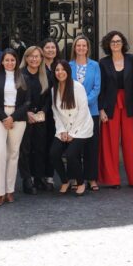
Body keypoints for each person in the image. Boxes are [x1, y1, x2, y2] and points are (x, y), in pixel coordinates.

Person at [98, 30, 133, 188]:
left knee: (130, 143)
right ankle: (112, 180)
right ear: (108, 45)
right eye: (112, 42)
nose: (115, 44)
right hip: (110, 104)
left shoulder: (132, 59)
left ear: (123, 43)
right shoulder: (103, 62)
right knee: (110, 142)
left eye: (118, 41)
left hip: (129, 104)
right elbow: (101, 87)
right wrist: (101, 109)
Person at [0, 49, 30, 206]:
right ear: (2, 62)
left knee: (13, 153)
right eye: (7, 60)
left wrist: (13, 117)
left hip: (17, 118)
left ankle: (9, 190)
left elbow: (28, 102)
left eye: (12, 60)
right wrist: (4, 118)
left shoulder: (23, 77)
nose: (10, 63)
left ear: (17, 61)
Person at [50, 60, 94, 196]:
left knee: (71, 155)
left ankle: (80, 182)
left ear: (68, 72)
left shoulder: (77, 87)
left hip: (81, 128)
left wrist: (72, 133)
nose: (60, 72)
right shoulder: (54, 89)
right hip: (64, 128)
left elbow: (83, 111)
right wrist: (62, 131)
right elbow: (55, 112)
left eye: (63, 70)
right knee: (53, 154)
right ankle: (65, 181)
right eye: (57, 70)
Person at [69, 35, 102, 191]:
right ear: (74, 48)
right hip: (73, 113)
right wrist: (77, 106)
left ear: (88, 48)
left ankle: (91, 178)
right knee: (75, 147)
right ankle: (76, 177)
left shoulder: (95, 66)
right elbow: (67, 88)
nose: (81, 48)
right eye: (78, 45)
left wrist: (83, 103)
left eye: (84, 45)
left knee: (91, 145)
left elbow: (96, 88)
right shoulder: (68, 66)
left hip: (91, 112)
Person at [19, 46, 53, 194]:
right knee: (25, 149)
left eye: (37, 56)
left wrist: (43, 111)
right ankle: (27, 180)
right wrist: (26, 113)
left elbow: (48, 98)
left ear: (41, 59)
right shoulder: (19, 75)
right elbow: (17, 98)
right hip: (24, 117)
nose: (34, 59)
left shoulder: (45, 75)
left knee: (40, 148)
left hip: (41, 117)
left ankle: (39, 178)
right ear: (26, 58)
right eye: (31, 56)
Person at [40, 38, 61, 187]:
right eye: (47, 47)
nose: (50, 50)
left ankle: (49, 176)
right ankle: (38, 176)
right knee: (40, 145)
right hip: (40, 111)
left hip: (57, 112)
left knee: (52, 144)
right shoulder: (38, 65)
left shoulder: (59, 66)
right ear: (42, 50)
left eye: (53, 47)